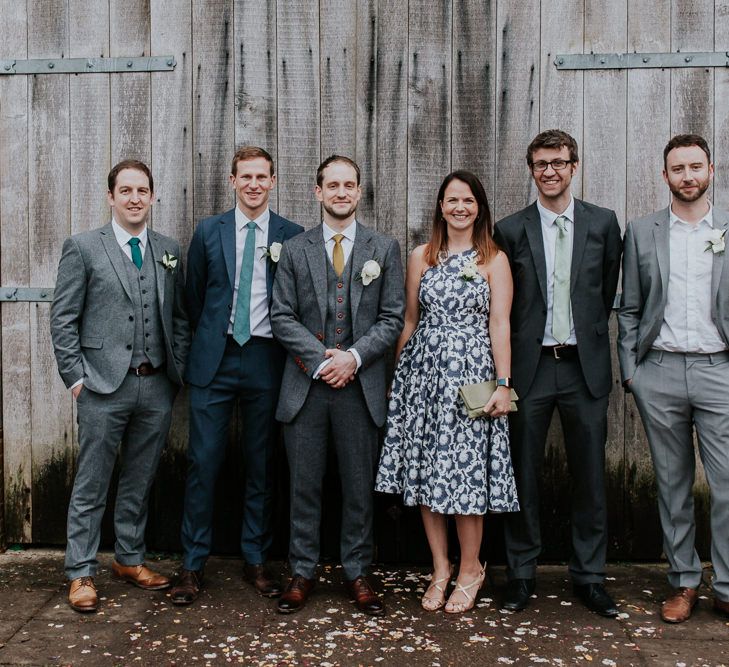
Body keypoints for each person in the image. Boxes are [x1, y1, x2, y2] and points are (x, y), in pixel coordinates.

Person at [375, 170, 519, 614]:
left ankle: (471, 568)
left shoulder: (493, 259)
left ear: (480, 207)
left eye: (468, 200)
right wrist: (397, 378)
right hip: (422, 378)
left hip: (472, 380)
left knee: (466, 477)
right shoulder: (423, 256)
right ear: (440, 206)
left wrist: (503, 384)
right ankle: (440, 567)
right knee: (424, 475)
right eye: (452, 199)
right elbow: (410, 321)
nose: (460, 207)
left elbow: (500, 324)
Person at [50, 159, 190, 613]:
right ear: (111, 197)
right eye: (125, 190)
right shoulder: (84, 247)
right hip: (101, 387)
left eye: (142, 190)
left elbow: (180, 318)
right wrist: (76, 379)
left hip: (155, 386)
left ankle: (129, 558)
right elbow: (63, 319)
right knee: (92, 482)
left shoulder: (168, 249)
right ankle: (80, 572)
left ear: (153, 197)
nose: (134, 198)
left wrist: (178, 373)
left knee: (139, 477)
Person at [493, 129, 622, 617]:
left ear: (574, 166)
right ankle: (521, 575)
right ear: (532, 170)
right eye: (541, 164)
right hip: (530, 369)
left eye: (559, 162)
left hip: (583, 368)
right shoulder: (510, 229)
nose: (550, 171)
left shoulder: (604, 223)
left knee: (589, 476)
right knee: (521, 473)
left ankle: (589, 577)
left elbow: (605, 289)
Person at [270, 155, 405, 615]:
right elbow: (281, 316)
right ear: (318, 192)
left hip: (360, 386)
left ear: (359, 192)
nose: (341, 192)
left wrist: (353, 357)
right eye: (333, 185)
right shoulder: (295, 248)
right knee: (303, 486)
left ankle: (358, 572)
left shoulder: (383, 248)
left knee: (357, 486)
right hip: (306, 388)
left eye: (349, 185)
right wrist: (320, 361)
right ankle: (302, 572)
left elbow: (392, 319)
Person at [170, 147, 303, 605]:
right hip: (216, 359)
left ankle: (256, 559)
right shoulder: (209, 231)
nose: (253, 184)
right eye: (245, 176)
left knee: (261, 464)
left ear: (273, 181)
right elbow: (193, 297)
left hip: (267, 359)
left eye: (261, 176)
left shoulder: (292, 235)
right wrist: (197, 353)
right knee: (202, 464)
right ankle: (191, 565)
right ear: (232, 181)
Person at [618, 134, 729, 624]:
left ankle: (726, 585)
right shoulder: (643, 231)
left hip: (719, 370)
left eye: (695, 167)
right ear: (664, 176)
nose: (687, 176)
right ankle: (683, 583)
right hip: (658, 371)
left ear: (711, 170)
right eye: (677, 168)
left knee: (726, 486)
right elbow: (630, 306)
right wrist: (633, 373)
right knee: (672, 484)